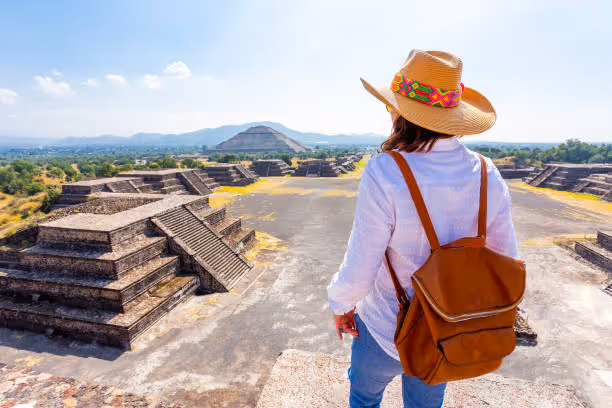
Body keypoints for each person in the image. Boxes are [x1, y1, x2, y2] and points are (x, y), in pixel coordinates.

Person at [327, 50, 518, 408]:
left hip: (387, 324)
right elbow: (506, 259)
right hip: (448, 330)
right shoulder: (485, 171)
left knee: (364, 396)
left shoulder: (385, 170)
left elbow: (362, 263)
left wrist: (342, 304)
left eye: (392, 106)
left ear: (402, 113)